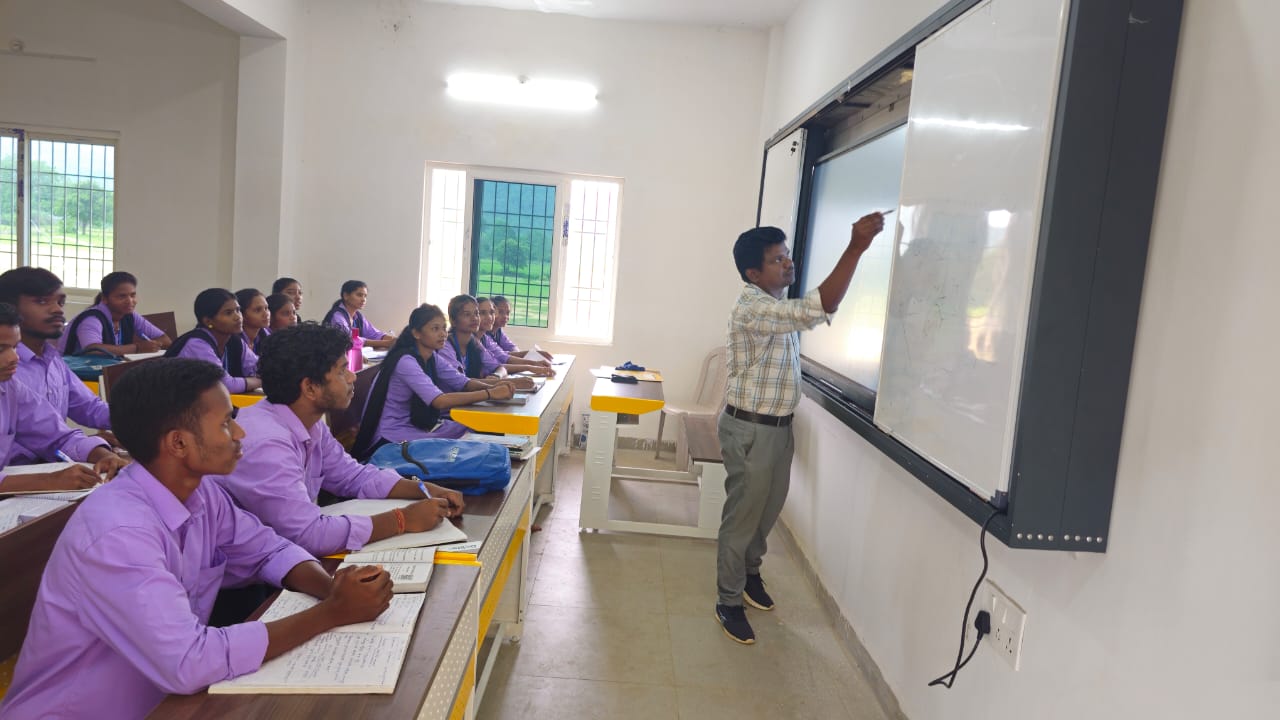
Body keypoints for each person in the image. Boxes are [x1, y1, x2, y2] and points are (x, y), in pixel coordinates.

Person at [0, 359, 394, 719]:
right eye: (225, 424)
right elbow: (189, 661)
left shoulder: (201, 494)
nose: (240, 433)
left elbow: (267, 548)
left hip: (169, 699)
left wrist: (331, 590)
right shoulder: (118, 533)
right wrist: (332, 613)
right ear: (178, 443)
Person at [714, 213, 885, 645]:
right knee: (742, 519)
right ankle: (728, 600)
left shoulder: (776, 305)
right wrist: (856, 248)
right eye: (777, 259)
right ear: (753, 273)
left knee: (767, 511)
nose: (788, 263)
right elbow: (817, 308)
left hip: (777, 429)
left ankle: (750, 574)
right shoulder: (753, 308)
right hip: (750, 431)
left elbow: (808, 312)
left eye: (787, 255)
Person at [211, 322, 464, 559]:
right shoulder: (268, 443)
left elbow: (352, 476)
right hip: (247, 576)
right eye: (342, 371)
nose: (353, 377)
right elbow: (309, 535)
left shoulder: (308, 422)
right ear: (310, 388)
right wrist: (402, 520)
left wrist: (424, 489)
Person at [354, 304, 517, 457]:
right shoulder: (406, 361)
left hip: (414, 425)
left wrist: (502, 385)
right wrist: (490, 393)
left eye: (444, 328)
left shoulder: (431, 355)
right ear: (417, 333)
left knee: (470, 427)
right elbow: (439, 401)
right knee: (466, 435)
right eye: (435, 329)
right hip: (392, 435)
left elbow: (463, 382)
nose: (443, 334)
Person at [0, 302, 129, 492]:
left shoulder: (9, 386)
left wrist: (103, 455)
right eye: (1, 349)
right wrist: (46, 481)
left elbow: (58, 436)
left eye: (15, 347)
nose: (14, 358)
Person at [0, 268, 115, 462]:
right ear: (10, 308)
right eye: (42, 301)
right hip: (22, 473)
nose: (58, 310)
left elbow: (82, 414)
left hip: (47, 469)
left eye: (60, 302)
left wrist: (99, 450)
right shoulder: (8, 372)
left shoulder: (51, 360)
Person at [165, 288, 262, 393]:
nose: (238, 317)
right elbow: (225, 386)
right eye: (228, 313)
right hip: (172, 400)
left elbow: (259, 367)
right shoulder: (197, 344)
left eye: (238, 310)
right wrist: (261, 381)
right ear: (208, 321)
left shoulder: (234, 340)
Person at [436, 295, 540, 388]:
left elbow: (500, 367)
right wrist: (509, 382)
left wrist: (496, 376)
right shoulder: (445, 347)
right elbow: (463, 383)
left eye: (476, 313)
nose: (474, 318)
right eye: (467, 314)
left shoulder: (475, 343)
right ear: (453, 320)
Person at [62, 271, 172, 355]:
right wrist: (137, 348)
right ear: (104, 298)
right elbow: (92, 349)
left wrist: (152, 345)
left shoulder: (130, 315)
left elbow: (165, 340)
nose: (130, 301)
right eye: (122, 296)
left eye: (132, 295)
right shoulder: (92, 319)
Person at [476, 297, 552, 373]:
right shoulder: (478, 338)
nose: (489, 317)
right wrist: (531, 365)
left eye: (491, 312)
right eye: (482, 313)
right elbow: (498, 363)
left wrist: (533, 361)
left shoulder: (487, 337)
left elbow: (505, 355)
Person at [322, 280, 395, 350]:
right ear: (346, 296)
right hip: (332, 357)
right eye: (359, 295)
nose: (363, 299)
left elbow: (374, 334)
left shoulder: (358, 316)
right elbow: (350, 340)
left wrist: (395, 340)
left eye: (365, 296)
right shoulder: (337, 316)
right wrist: (386, 343)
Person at [490, 295, 552, 361]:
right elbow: (500, 355)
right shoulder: (485, 334)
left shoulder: (498, 331)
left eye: (507, 313)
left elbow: (511, 347)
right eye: (500, 312)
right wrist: (530, 354)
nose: (505, 316)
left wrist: (527, 355)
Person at [236, 288, 271, 354]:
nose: (266, 314)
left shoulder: (267, 336)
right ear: (241, 314)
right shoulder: (232, 341)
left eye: (266, 308)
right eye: (258, 310)